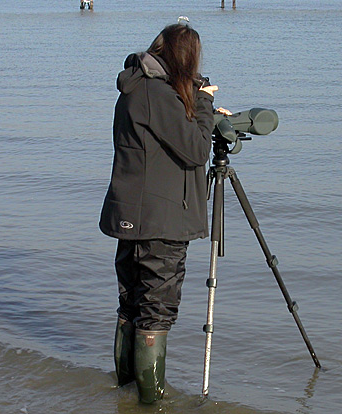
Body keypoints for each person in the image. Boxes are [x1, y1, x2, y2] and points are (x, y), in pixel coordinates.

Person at [99, 23, 221, 403]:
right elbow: (197, 150)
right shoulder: (157, 94)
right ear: (186, 59)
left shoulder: (140, 87)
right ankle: (150, 403)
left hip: (132, 216)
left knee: (131, 305)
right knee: (156, 310)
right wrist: (202, 103)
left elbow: (165, 137)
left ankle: (127, 393)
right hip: (160, 222)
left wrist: (196, 106)